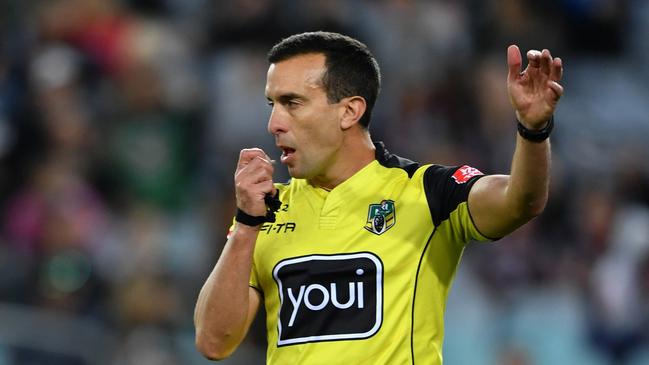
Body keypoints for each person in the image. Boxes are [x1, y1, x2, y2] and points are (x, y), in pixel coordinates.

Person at [194, 31, 563, 364]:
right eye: (271, 104)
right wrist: (245, 225)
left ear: (350, 111)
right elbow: (214, 342)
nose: (274, 123)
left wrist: (533, 130)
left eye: (292, 103)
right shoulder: (266, 212)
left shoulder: (426, 191)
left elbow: (522, 200)